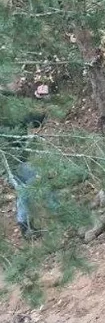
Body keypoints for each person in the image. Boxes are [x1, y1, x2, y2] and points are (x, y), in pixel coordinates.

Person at [1, 81, 49, 239]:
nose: (20, 82)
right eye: (16, 80)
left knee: (26, 187)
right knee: (36, 181)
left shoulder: (14, 104)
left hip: (15, 160)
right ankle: (63, 215)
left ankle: (25, 225)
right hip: (11, 160)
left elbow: (36, 120)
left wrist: (40, 98)